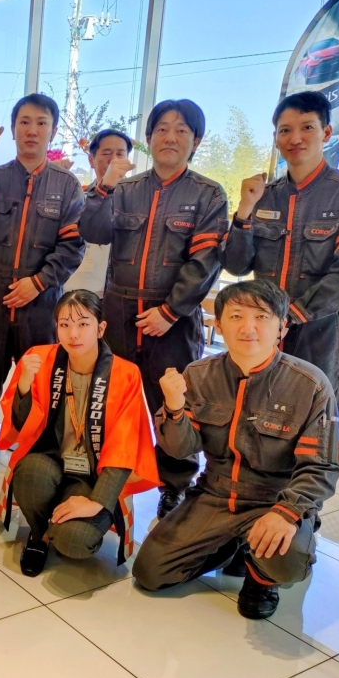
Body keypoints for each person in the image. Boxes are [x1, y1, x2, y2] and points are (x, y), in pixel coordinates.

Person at [133, 280, 339, 619]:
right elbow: (179, 449)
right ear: (218, 325)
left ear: (281, 326)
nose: (248, 328)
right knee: (150, 573)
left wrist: (287, 513)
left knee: (287, 560)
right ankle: (230, 545)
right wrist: (173, 407)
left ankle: (261, 580)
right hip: (215, 494)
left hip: (273, 499)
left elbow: (323, 466)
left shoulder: (309, 384)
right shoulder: (199, 374)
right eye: (236, 316)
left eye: (261, 317)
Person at [78, 99, 228, 519]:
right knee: (111, 397)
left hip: (173, 320)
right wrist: (104, 186)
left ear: (196, 141)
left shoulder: (208, 194)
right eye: (162, 129)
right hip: (119, 312)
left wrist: (170, 311)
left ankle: (174, 484)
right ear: (148, 138)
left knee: (173, 401)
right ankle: (105, 472)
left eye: (182, 130)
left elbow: (205, 262)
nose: (170, 137)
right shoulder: (126, 189)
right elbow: (92, 230)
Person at [222, 90, 339, 410]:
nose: (295, 138)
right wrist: (244, 212)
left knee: (312, 417)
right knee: (255, 414)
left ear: (327, 133)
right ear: (276, 138)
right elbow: (236, 265)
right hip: (262, 331)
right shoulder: (263, 195)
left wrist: (289, 317)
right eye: (285, 130)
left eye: (307, 127)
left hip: (320, 333)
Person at [0, 290, 160, 576]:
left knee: (75, 542)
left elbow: (124, 446)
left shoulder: (125, 374)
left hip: (94, 473)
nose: (73, 334)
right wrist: (23, 385)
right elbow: (20, 428)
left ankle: (62, 524)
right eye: (64, 324)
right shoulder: (39, 359)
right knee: (30, 474)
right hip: (50, 459)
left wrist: (96, 501)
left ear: (101, 328)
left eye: (83, 324)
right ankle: (39, 536)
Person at [0, 94, 86, 436]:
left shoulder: (67, 185)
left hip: (41, 302)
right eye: (24, 122)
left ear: (53, 131)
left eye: (41, 123)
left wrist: (38, 283)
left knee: (40, 379)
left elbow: (72, 247)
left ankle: (36, 446)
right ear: (12, 130)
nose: (32, 130)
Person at [68, 128, 135, 296]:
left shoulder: (139, 198)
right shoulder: (78, 197)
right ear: (91, 160)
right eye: (106, 153)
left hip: (122, 293)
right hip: (80, 292)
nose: (113, 160)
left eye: (120, 154)